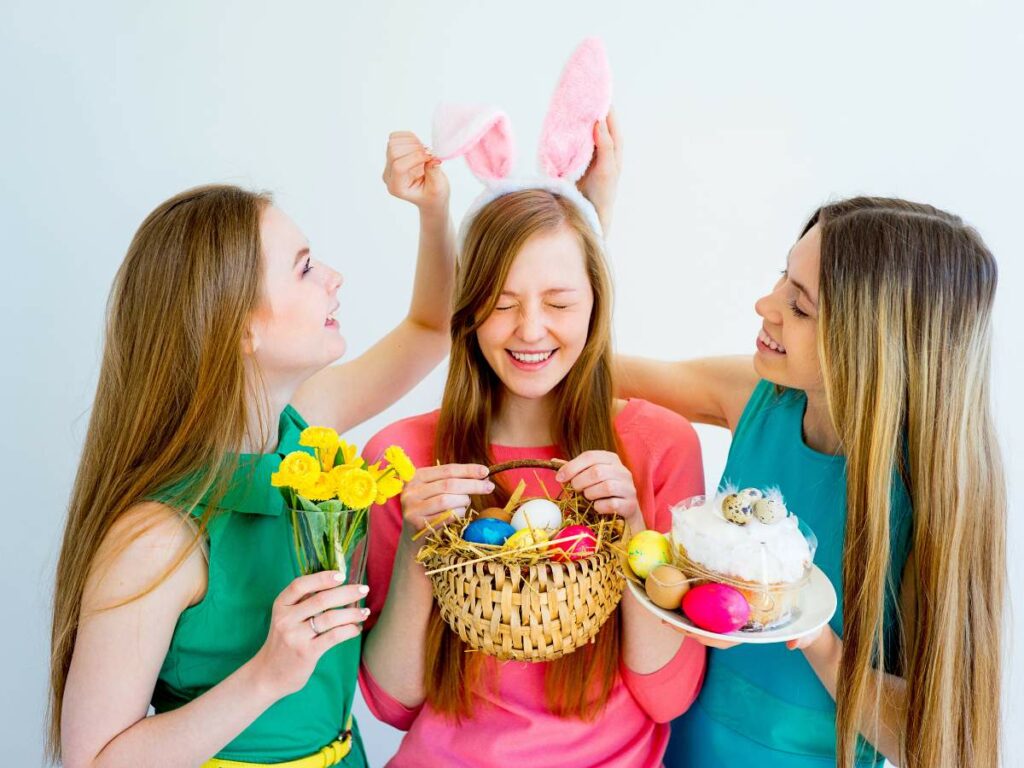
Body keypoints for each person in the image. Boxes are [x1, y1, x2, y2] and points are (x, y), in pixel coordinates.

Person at [49, 133, 453, 767]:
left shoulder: (303, 431)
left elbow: (432, 329)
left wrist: (435, 210)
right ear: (240, 327)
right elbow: (93, 762)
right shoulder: (157, 536)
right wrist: (267, 674)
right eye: (305, 266)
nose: (334, 278)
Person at [609, 194, 1006, 767]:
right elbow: (594, 371)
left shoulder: (930, 500)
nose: (764, 305)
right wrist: (591, 216)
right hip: (677, 748)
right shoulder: (759, 398)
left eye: (799, 307)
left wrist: (816, 638)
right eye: (781, 280)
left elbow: (940, 746)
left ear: (874, 344)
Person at [357, 158, 707, 767]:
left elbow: (667, 695)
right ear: (467, 308)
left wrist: (630, 532)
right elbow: (392, 702)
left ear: (596, 303)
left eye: (559, 302)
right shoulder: (401, 457)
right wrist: (420, 545)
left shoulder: (661, 446)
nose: (531, 330)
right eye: (502, 302)